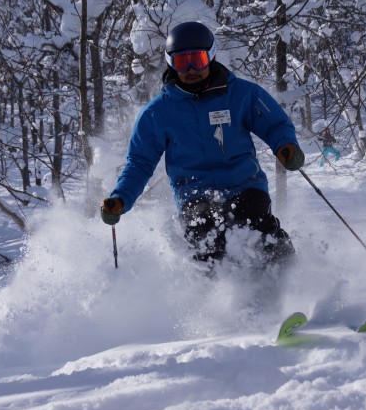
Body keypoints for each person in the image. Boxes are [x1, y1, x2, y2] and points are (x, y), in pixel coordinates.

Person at [100, 21, 304, 268]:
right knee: (205, 233)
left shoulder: (241, 94)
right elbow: (140, 162)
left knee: (257, 225)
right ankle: (218, 298)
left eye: (196, 59)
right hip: (194, 194)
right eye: (180, 61)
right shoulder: (158, 113)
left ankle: (286, 284)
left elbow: (274, 124)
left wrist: (285, 146)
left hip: (244, 184)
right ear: (169, 63)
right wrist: (121, 198)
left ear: (211, 55)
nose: (189, 69)